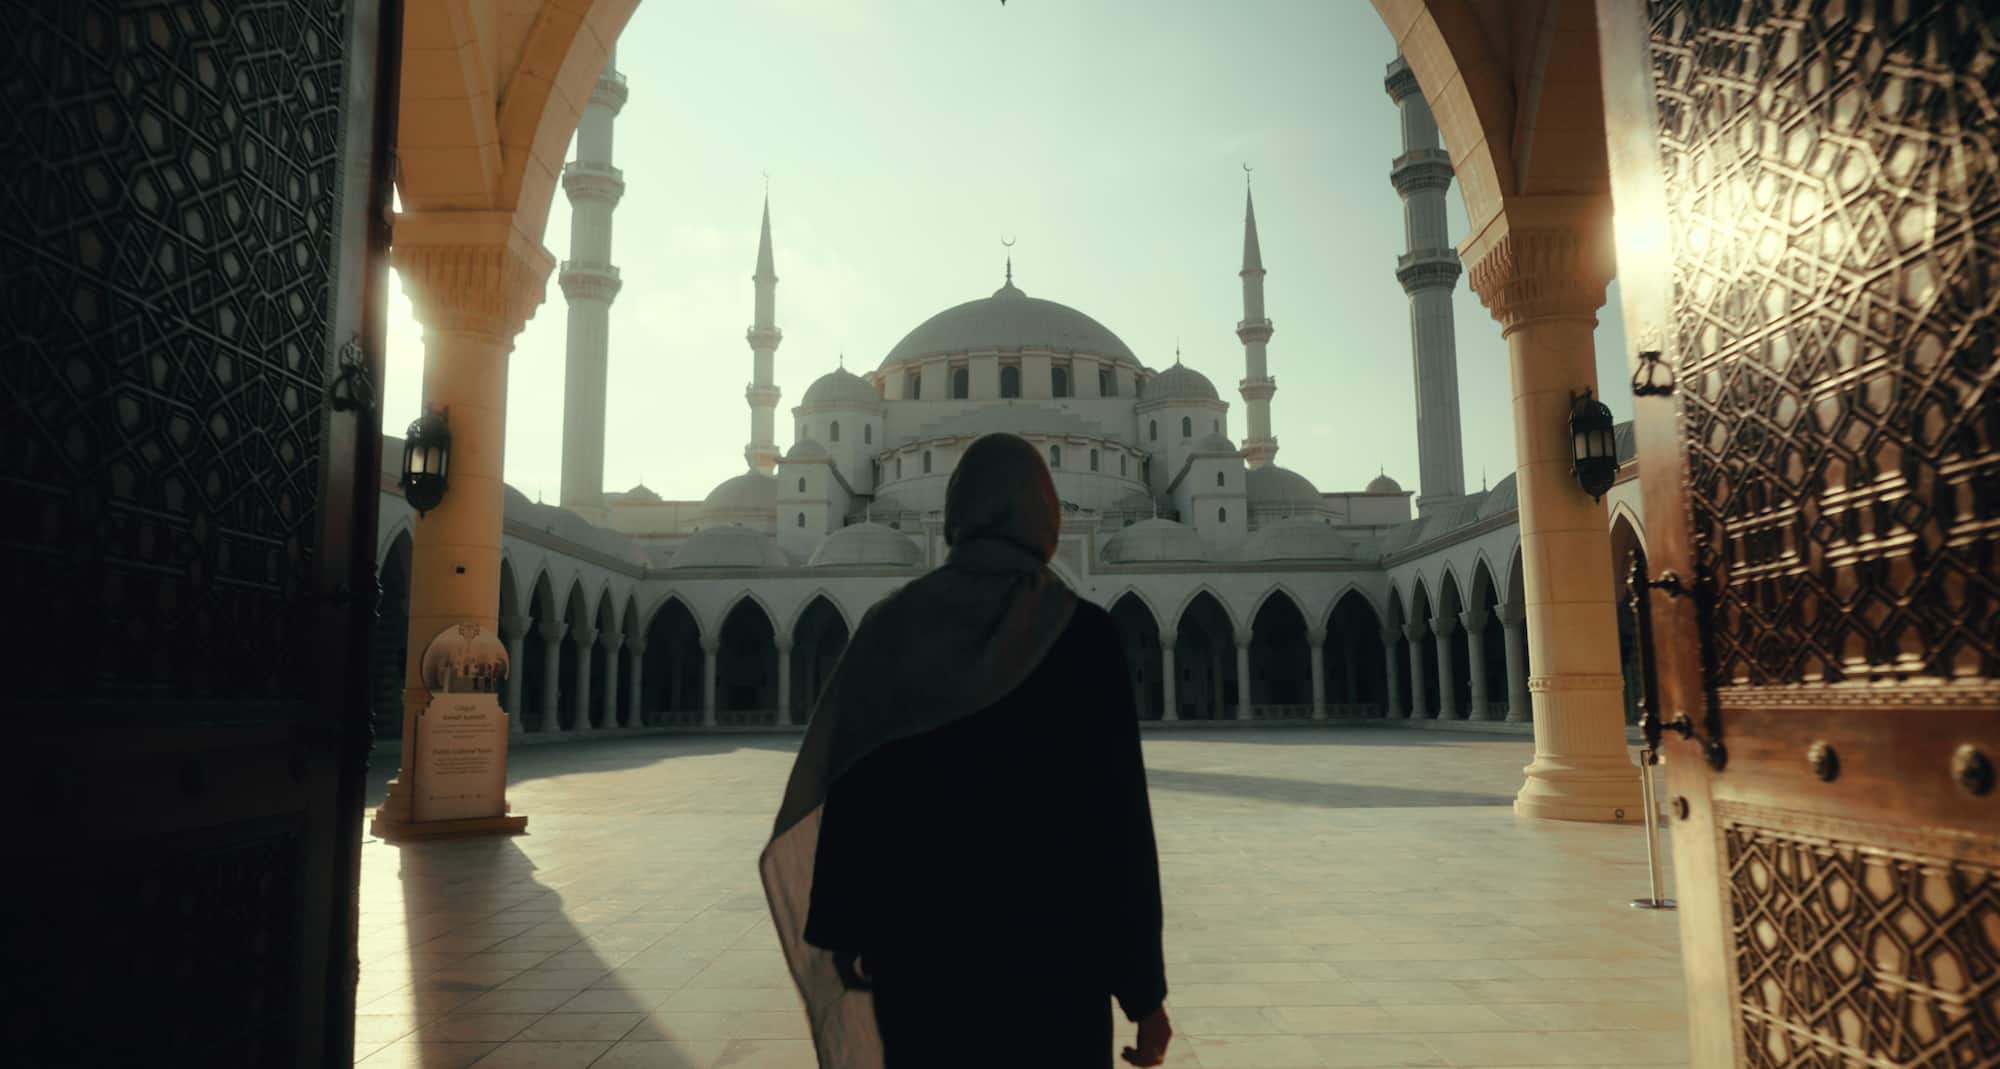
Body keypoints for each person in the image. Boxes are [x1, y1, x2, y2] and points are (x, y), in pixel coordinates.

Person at [759, 432, 1171, 1069]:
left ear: (957, 512)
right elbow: (1117, 828)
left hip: (925, 964)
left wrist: (842, 926)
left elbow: (853, 786)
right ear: (1045, 513)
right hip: (1054, 971)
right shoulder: (1083, 637)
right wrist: (1143, 992)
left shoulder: (891, 629)